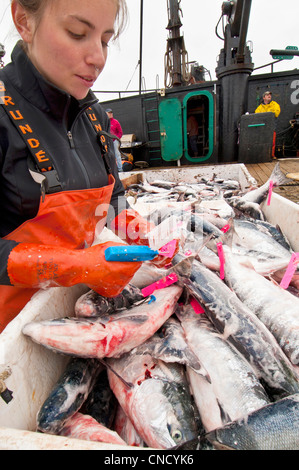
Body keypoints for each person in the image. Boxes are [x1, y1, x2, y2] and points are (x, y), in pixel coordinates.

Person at [0, 0, 175, 333]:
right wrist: (77, 266)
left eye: (105, 40)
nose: (98, 58)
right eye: (77, 33)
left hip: (74, 315)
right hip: (8, 341)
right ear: (24, 21)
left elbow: (114, 204)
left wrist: (151, 238)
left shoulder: (94, 117)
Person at [255, 91, 281, 158]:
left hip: (271, 127)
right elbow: (256, 116)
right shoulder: (259, 107)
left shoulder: (275, 104)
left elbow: (276, 113)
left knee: (272, 143)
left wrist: (265, 116)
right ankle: (262, 156)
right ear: (263, 97)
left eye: (270, 95)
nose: (269, 96)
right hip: (262, 129)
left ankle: (271, 156)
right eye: (267, 95)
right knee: (262, 142)